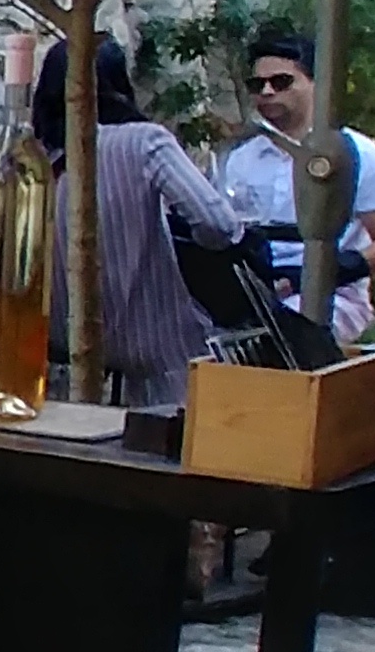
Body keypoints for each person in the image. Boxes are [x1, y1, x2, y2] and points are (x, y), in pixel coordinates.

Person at [35, 36, 245, 406]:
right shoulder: (145, 144)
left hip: (56, 358)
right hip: (160, 360)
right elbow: (219, 225)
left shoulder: (26, 157)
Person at [218, 29, 375, 345]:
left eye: (281, 82)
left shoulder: (358, 156)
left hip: (334, 297)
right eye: (257, 85)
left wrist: (318, 275)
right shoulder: (239, 159)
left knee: (287, 335)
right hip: (253, 294)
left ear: (315, 84)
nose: (267, 92)